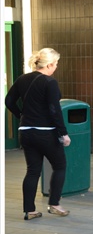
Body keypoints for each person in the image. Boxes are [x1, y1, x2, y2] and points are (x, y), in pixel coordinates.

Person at [5, 48, 71, 220]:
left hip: (26, 132)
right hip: (46, 133)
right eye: (56, 64)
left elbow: (9, 101)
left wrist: (20, 115)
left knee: (33, 170)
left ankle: (30, 210)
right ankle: (54, 204)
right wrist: (63, 133)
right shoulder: (49, 82)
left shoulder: (22, 79)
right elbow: (54, 109)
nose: (56, 67)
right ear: (49, 64)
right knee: (59, 166)